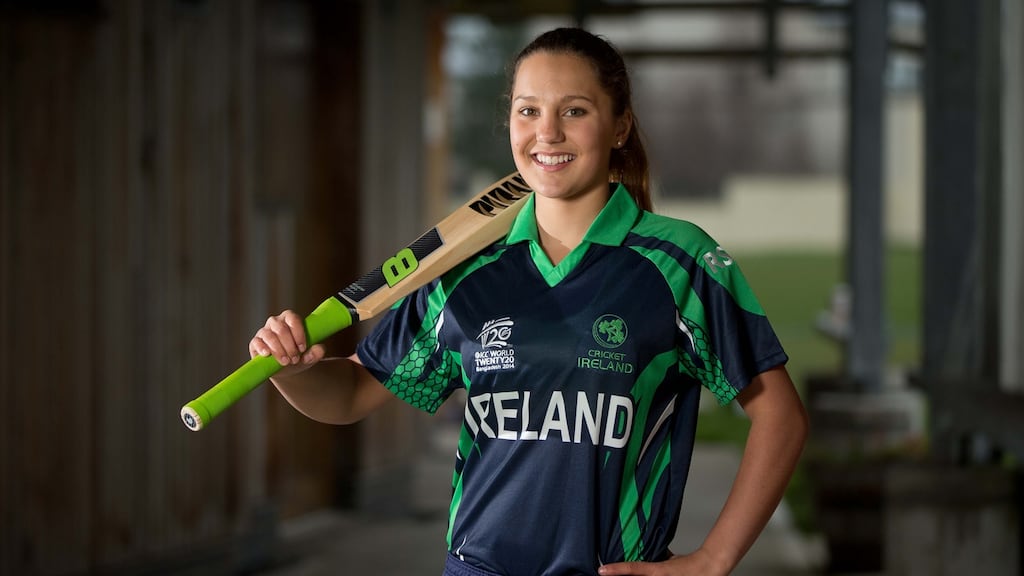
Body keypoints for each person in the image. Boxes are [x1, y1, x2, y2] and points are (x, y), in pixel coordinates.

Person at [250, 27, 808, 576]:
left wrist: (713, 561)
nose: (547, 132)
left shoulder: (678, 262)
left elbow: (779, 416)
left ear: (620, 127)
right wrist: (291, 369)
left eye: (574, 111)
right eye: (527, 110)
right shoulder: (466, 271)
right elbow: (351, 393)